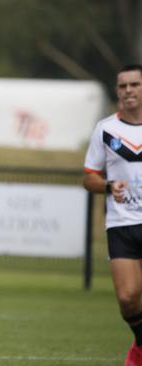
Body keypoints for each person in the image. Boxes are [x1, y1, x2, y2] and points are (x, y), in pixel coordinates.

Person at [83, 64, 142, 366]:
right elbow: (88, 177)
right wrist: (108, 185)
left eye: (135, 84)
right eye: (123, 86)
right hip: (121, 224)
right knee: (128, 299)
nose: (129, 91)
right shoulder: (106, 129)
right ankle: (141, 346)